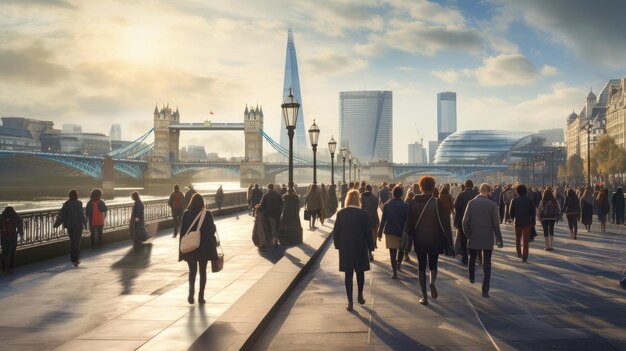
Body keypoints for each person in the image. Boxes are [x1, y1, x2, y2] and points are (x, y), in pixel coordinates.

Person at [404, 176, 453, 306]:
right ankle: (432, 282)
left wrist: (407, 237)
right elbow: (445, 222)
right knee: (433, 264)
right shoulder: (437, 202)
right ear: (433, 187)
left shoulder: (413, 203)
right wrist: (448, 240)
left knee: (421, 266)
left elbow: (409, 223)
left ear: (420, 187)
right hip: (435, 239)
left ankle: (424, 296)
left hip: (419, 240)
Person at [333, 189, 374, 312]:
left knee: (348, 274)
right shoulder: (363, 214)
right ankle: (360, 295)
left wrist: (337, 245)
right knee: (360, 272)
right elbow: (367, 232)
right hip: (360, 247)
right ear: (358, 200)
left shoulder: (341, 213)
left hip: (346, 247)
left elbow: (336, 232)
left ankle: (350, 302)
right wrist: (371, 248)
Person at [462, 184, 503, 297]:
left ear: (479, 191)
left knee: (472, 257)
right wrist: (499, 239)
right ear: (488, 192)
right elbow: (496, 224)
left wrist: (468, 233)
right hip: (487, 236)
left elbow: (464, 221)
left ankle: (471, 276)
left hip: (474, 234)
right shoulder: (492, 205)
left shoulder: (471, 203)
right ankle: (485, 289)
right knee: (487, 263)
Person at [179, 193, 218, 305]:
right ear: (202, 202)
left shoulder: (186, 214)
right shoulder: (207, 213)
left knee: (192, 271)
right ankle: (201, 296)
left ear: (191, 201)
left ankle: (191, 294)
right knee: (203, 271)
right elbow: (211, 230)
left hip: (191, 247)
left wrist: (182, 251)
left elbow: (183, 232)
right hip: (204, 247)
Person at [377, 185, 408, 278]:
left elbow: (383, 220)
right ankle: (399, 263)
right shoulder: (406, 206)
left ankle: (394, 271)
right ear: (402, 194)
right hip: (402, 231)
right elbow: (408, 220)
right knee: (401, 249)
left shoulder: (387, 205)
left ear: (393, 194)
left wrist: (379, 233)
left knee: (392, 252)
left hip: (390, 231)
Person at [454, 179, 478, 265]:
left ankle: (464, 257)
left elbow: (456, 206)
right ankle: (473, 257)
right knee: (473, 238)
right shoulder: (476, 194)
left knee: (463, 239)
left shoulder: (461, 194)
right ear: (472, 185)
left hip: (463, 219)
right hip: (474, 220)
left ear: (465, 185)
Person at [60, 189, 87, 267]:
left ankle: (72, 258)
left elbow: (63, 215)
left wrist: (65, 224)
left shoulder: (66, 204)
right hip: (78, 225)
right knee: (77, 242)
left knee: (72, 242)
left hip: (70, 226)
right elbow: (81, 215)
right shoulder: (79, 203)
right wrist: (85, 224)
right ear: (76, 195)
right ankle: (76, 259)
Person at [509, 185, 535, 263]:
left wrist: (513, 218)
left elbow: (511, 212)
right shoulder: (529, 200)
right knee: (525, 241)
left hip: (517, 221)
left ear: (517, 191)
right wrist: (532, 221)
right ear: (525, 191)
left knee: (518, 238)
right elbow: (533, 213)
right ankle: (525, 257)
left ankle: (519, 253)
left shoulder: (514, 200)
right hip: (527, 222)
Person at [0, 206, 23, 274]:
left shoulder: (1, 216)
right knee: (12, 252)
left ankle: (3, 267)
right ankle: (10, 267)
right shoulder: (16, 216)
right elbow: (20, 224)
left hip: (4, 236)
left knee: (4, 251)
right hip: (13, 236)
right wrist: (20, 232)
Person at [361, 184, 379, 261]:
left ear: (365, 189)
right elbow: (375, 208)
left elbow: (361, 208)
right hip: (373, 218)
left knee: (365, 235)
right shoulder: (375, 198)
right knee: (372, 235)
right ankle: (371, 250)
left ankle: (367, 253)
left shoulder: (362, 197)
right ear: (371, 190)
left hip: (364, 218)